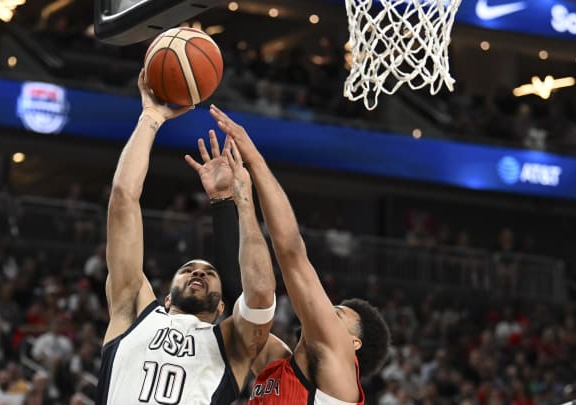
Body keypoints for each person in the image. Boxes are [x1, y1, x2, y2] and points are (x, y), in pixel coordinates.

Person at [96, 70, 276, 404]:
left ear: (223, 306)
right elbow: (122, 197)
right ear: (165, 298)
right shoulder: (134, 311)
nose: (198, 273)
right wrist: (150, 117)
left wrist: (242, 200)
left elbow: (261, 292)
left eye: (209, 274)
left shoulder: (231, 342)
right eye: (190, 269)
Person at [210, 104, 391, 404]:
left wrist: (254, 159)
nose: (322, 311)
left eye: (336, 315)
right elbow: (247, 296)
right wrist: (237, 200)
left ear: (353, 344)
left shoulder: (339, 374)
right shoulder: (277, 363)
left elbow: (291, 251)